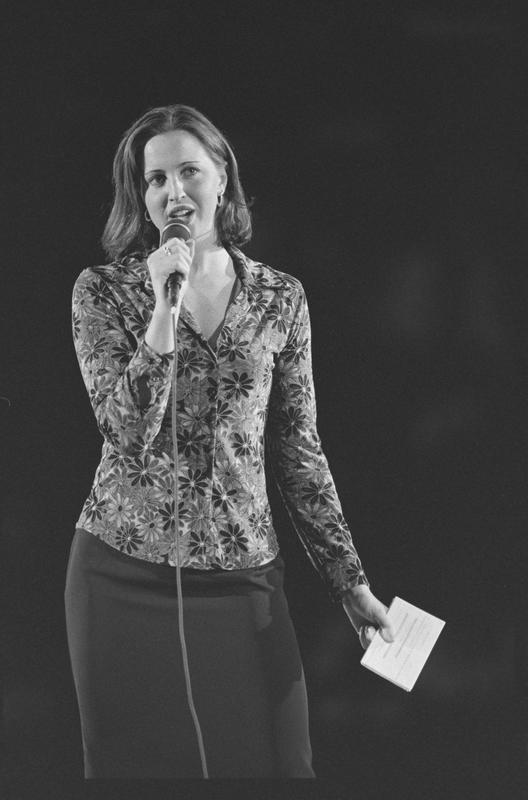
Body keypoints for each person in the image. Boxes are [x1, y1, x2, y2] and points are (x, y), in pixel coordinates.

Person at [65, 103, 395, 779]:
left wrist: (350, 583)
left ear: (222, 177)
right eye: (156, 179)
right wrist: (163, 308)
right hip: (123, 572)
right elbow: (127, 432)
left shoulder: (279, 297)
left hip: (243, 575)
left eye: (189, 171)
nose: (173, 192)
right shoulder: (105, 292)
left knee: (282, 765)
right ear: (141, 195)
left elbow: (298, 449)